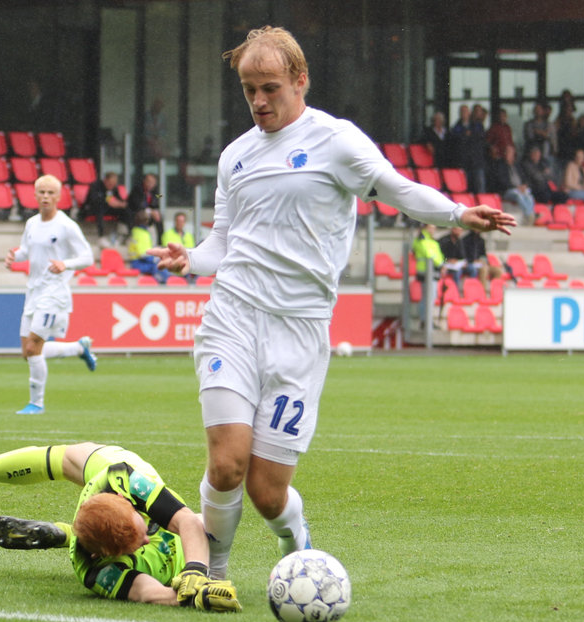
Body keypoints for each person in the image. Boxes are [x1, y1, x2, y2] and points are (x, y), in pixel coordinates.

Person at [147, 26, 514, 580]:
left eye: (269, 87)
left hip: (299, 331)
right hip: (232, 318)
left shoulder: (336, 141)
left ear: (300, 80)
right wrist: (190, 261)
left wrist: (458, 214)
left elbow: (397, 189)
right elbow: (222, 242)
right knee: (226, 463)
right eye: (249, 90)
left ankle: (295, 541)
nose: (259, 101)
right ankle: (211, 575)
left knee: (269, 493)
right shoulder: (235, 158)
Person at [0, 441, 241, 611]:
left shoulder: (123, 478)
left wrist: (197, 573)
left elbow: (183, 520)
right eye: (137, 543)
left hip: (105, 480)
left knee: (62, 457)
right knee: (208, 523)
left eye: (142, 530)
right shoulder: (94, 572)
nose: (145, 539)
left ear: (129, 505)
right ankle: (65, 534)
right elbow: (149, 592)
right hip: (107, 544)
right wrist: (194, 598)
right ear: (106, 555)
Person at [5, 174, 97, 415]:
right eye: (41, 192)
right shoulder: (32, 223)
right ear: (35, 195)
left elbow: (87, 257)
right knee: (27, 351)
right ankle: (78, 348)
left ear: (59, 196)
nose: (45, 197)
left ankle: (36, 403)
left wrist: (66, 264)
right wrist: (15, 255)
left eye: (50, 193)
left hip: (54, 293)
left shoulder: (66, 226)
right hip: (33, 291)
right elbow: (26, 250)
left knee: (34, 347)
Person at [489, 144, 536, 224]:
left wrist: (524, 185)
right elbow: (502, 182)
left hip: (520, 189)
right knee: (518, 195)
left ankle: (531, 214)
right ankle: (528, 215)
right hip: (508, 190)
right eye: (507, 152)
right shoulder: (500, 165)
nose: (508, 154)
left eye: (510, 152)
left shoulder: (517, 165)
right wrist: (516, 187)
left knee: (529, 196)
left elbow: (525, 178)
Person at [80, 171, 129, 245]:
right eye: (110, 184)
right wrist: (108, 202)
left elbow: (118, 199)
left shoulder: (114, 188)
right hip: (92, 209)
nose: (111, 186)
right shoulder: (95, 186)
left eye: (113, 184)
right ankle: (101, 236)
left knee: (125, 210)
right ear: (105, 180)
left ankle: (126, 234)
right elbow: (94, 200)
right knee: (100, 208)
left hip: (108, 209)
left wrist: (120, 204)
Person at [128, 210, 169, 284]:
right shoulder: (140, 233)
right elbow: (143, 254)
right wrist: (154, 259)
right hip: (138, 262)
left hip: (142, 261)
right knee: (159, 266)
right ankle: (164, 286)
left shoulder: (140, 232)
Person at [127, 173, 163, 243]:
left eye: (152, 183)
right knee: (144, 214)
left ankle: (160, 241)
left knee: (159, 216)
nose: (150, 184)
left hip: (149, 213)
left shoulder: (155, 192)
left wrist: (155, 212)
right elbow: (137, 205)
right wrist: (151, 211)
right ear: (144, 181)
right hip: (136, 212)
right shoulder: (137, 189)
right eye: (148, 181)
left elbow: (156, 204)